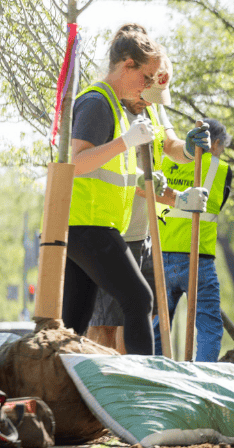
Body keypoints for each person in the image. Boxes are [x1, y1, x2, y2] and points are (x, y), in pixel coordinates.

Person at [66, 23, 209, 356]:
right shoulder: (97, 102)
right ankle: (144, 386)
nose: (147, 88)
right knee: (139, 299)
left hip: (96, 224)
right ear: (126, 64)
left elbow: (123, 176)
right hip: (87, 224)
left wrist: (172, 194)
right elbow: (76, 163)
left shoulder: (118, 105)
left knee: (74, 320)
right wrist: (124, 142)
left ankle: (64, 388)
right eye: (145, 77)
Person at [85, 78, 199, 354]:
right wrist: (179, 199)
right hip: (112, 233)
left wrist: (187, 149)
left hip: (143, 234)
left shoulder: (150, 107)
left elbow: (169, 143)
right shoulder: (110, 112)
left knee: (138, 318)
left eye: (154, 98)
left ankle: (130, 384)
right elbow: (131, 179)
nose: (148, 102)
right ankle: (98, 385)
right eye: (145, 95)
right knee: (106, 326)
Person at [156, 118, 232, 362]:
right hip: (197, 257)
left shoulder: (166, 161)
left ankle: (155, 375)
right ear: (216, 142)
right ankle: (202, 378)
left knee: (158, 324)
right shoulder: (221, 169)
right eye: (222, 147)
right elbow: (218, 204)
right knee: (208, 325)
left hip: (160, 254)